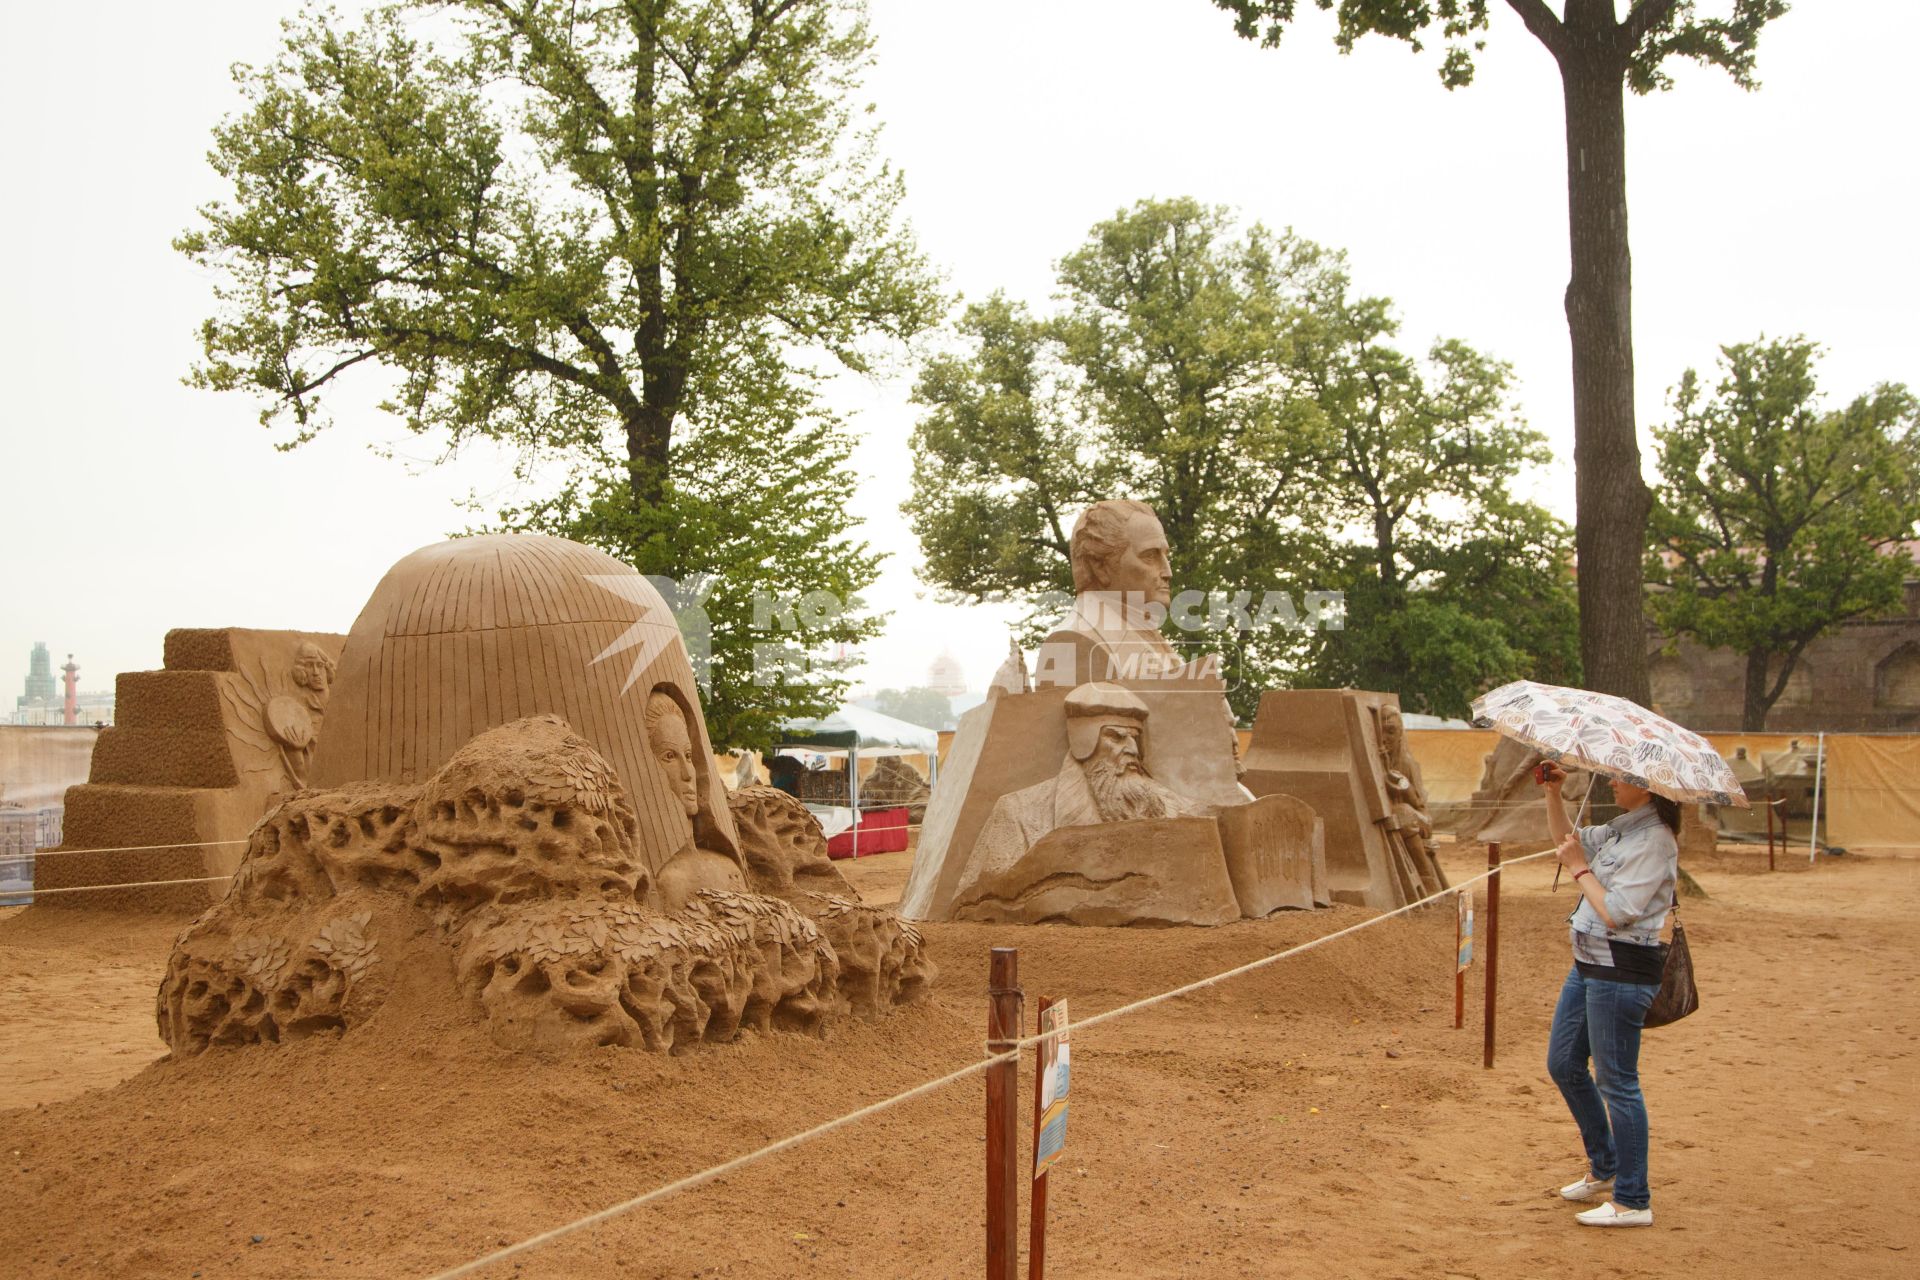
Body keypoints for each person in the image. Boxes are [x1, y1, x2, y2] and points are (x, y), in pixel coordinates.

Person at [1533, 760, 1681, 1228]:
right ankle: (1607, 1166)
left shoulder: (1655, 840)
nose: (1614, 781)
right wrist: (1554, 795)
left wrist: (1578, 869)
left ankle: (1634, 1199)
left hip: (1621, 970)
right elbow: (1567, 841)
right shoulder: (1622, 829)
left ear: (1647, 788)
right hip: (1590, 964)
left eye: (1623, 777)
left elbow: (1618, 911)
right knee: (1563, 1064)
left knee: (1617, 1081)